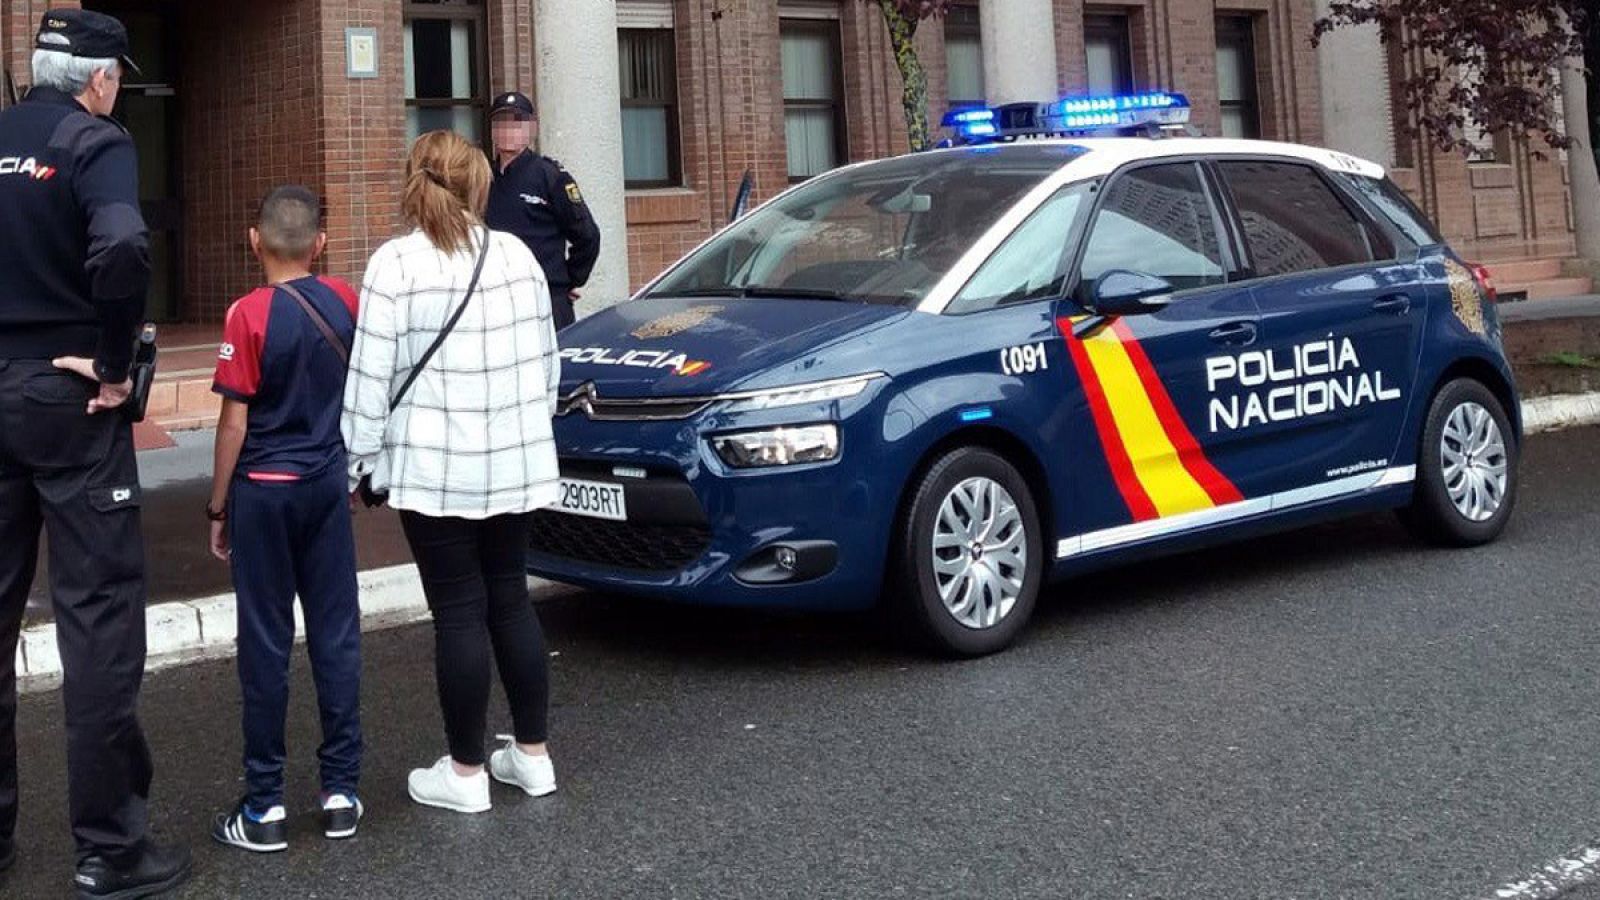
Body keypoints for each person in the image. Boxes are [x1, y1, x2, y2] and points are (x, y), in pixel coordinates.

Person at [0, 9, 192, 898]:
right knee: (98, 623)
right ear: (101, 76)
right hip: (68, 400)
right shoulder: (96, 139)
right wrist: (115, 365)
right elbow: (120, 243)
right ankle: (110, 850)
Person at [342, 130, 562, 814]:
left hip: (435, 470)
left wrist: (361, 459)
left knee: (459, 611)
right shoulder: (518, 256)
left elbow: (369, 377)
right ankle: (532, 758)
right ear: (478, 185)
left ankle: (465, 774)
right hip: (516, 462)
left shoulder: (395, 264)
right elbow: (548, 366)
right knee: (512, 600)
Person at [207, 186, 365, 851]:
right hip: (326, 484)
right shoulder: (348, 301)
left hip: (263, 494)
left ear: (254, 241)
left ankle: (265, 805)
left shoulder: (246, 314)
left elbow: (233, 422)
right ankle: (341, 793)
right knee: (336, 635)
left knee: (266, 644)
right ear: (320, 244)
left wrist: (218, 506)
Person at [485, 90, 600, 330]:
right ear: (493, 130)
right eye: (501, 123)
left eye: (517, 123)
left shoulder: (551, 175)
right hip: (496, 297)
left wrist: (567, 280)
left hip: (544, 297)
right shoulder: (482, 177)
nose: (508, 131)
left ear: (531, 129)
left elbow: (587, 235)